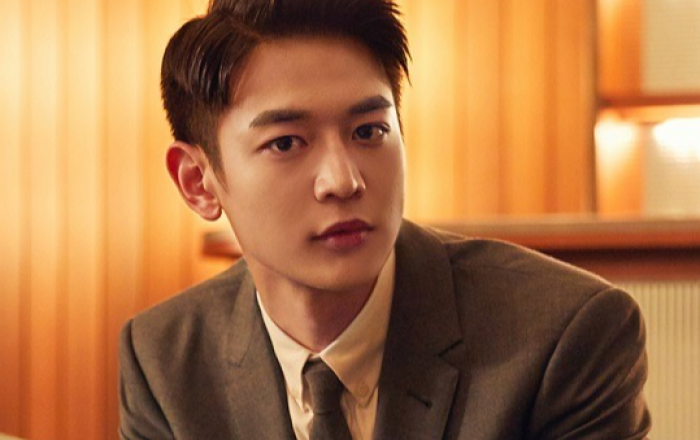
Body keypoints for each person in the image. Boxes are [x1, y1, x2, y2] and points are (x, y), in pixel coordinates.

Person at [118, 0, 651, 439]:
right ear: (198, 181)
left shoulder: (563, 337)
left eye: (368, 131)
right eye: (286, 143)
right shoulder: (164, 360)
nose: (343, 180)